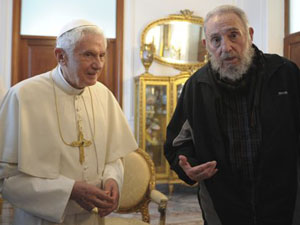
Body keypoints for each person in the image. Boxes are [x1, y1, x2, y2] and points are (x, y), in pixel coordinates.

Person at [164, 5, 300, 225]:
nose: (226, 47)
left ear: (250, 34)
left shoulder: (284, 74)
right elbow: (177, 143)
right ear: (206, 45)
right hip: (223, 205)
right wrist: (188, 166)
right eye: (216, 40)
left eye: (233, 35)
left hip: (282, 202)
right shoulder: (197, 87)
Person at [0, 19, 138, 225]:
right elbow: (6, 178)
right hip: (42, 218)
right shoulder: (22, 96)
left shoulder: (104, 95)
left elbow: (114, 157)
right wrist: (68, 190)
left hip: (91, 217)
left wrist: (112, 179)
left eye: (102, 55)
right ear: (61, 56)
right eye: (88, 55)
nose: (98, 64)